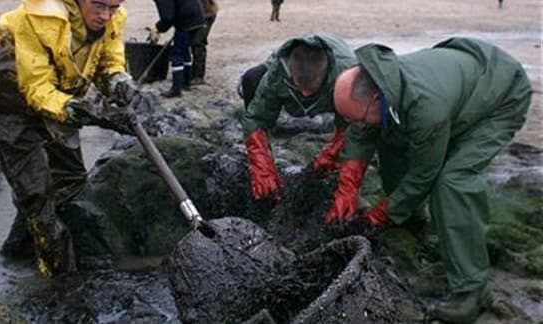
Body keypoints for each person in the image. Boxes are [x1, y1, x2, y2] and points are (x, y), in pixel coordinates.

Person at [330, 37, 531, 323]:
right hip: (460, 83)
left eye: (359, 118)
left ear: (376, 98)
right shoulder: (381, 81)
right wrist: (347, 187)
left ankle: (472, 289)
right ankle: (410, 216)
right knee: (391, 138)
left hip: (499, 95)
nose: (358, 126)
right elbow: (363, 132)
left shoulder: (425, 107)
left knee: (452, 181)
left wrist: (380, 214)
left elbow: (424, 174)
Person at [0, 0, 147, 277]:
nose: (105, 15)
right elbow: (36, 89)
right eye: (98, 5)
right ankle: (59, 282)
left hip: (63, 91)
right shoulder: (33, 19)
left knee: (71, 181)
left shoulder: (112, 17)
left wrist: (120, 82)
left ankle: (17, 251)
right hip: (12, 103)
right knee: (36, 196)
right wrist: (87, 112)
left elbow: (108, 61)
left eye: (113, 7)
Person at [239, 33, 357, 200]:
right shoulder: (279, 70)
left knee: (351, 107)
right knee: (251, 79)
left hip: (335, 87)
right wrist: (261, 165)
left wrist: (333, 151)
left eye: (310, 89)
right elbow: (256, 118)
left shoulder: (347, 73)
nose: (304, 93)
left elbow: (355, 123)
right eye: (300, 88)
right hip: (283, 82)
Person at [153, 0, 205, 98]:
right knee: (185, 51)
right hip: (197, 17)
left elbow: (168, 17)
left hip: (186, 21)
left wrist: (157, 28)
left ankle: (176, 89)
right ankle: (186, 83)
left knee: (177, 53)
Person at [190, 0, 218, 86]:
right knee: (192, 43)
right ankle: (192, 72)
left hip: (206, 15)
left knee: (198, 43)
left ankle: (198, 76)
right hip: (194, 16)